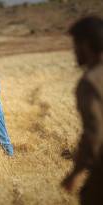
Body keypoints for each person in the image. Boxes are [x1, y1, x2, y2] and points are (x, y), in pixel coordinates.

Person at [61, 16, 103, 205]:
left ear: (86, 44)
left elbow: (95, 133)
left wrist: (76, 173)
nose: (74, 52)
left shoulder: (91, 81)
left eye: (75, 45)